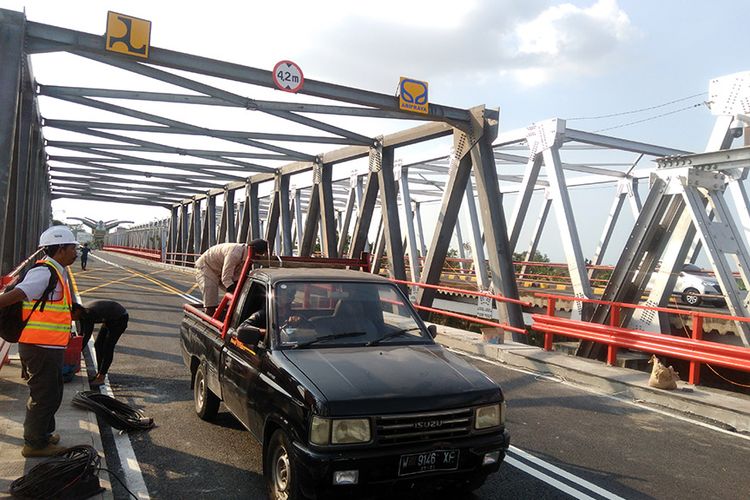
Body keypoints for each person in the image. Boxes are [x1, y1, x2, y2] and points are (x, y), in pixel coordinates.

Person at [0, 226, 78, 457]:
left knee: (52, 392)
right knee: (43, 394)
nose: (76, 252)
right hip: (39, 346)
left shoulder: (57, 269)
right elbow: (17, 294)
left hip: (49, 345)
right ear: (61, 249)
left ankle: (43, 434)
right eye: (73, 248)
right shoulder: (44, 272)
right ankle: (34, 444)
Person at [194, 239, 268, 316]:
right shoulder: (234, 254)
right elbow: (226, 278)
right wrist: (233, 292)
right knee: (211, 300)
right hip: (207, 267)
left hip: (220, 268)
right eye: (259, 255)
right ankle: (209, 318)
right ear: (254, 251)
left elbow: (239, 277)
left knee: (240, 296)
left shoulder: (245, 255)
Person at [72, 301, 128, 386]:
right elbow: (81, 334)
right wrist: (76, 346)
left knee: (108, 347)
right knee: (98, 345)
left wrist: (76, 354)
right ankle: (99, 372)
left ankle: (101, 377)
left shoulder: (88, 313)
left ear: (76, 311)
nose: (71, 318)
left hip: (120, 318)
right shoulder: (81, 313)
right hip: (109, 319)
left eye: (71, 315)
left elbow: (87, 335)